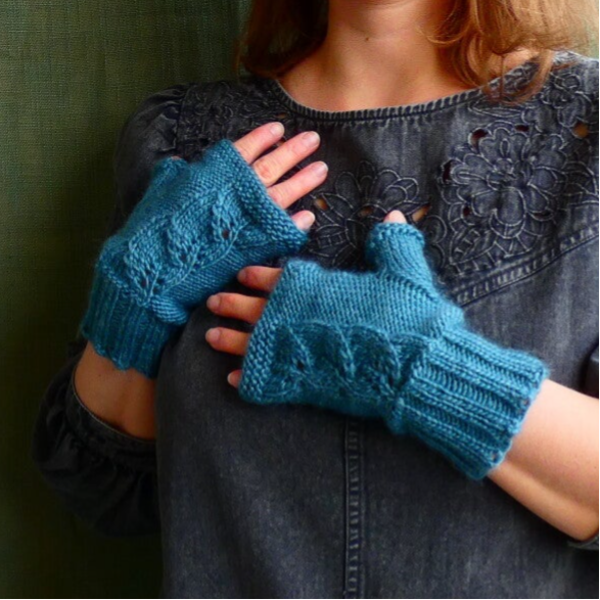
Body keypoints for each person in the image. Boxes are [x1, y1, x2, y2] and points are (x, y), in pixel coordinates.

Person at [31, 0, 599, 597]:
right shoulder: (181, 139)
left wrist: (430, 368)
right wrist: (137, 298)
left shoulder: (586, 129)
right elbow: (103, 485)